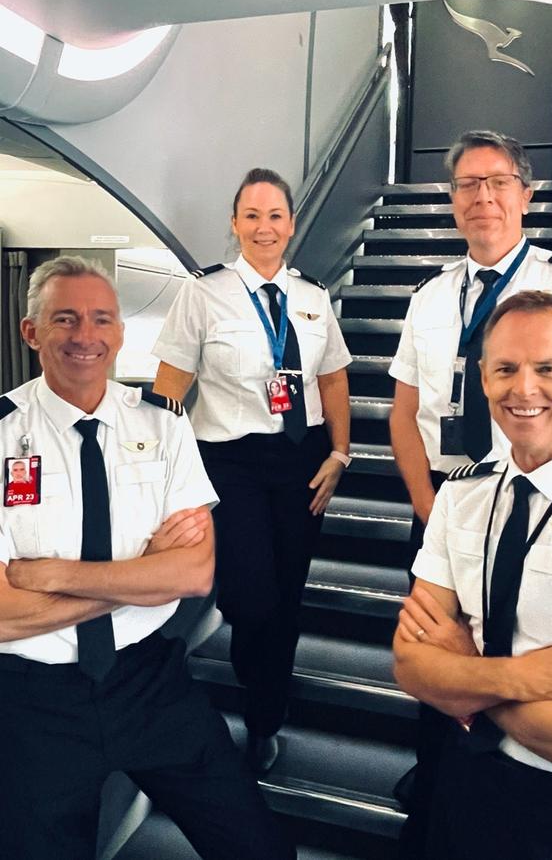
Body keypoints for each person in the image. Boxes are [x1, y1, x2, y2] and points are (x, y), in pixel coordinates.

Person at [388, 129, 552, 854]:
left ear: (526, 195)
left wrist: (547, 489)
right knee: (435, 660)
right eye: (467, 185)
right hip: (453, 506)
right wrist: (438, 511)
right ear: (452, 201)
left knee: (523, 655)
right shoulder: (430, 296)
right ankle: (439, 796)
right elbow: (405, 417)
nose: (483, 197)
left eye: (498, 182)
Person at [0, 256, 294, 860]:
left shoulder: (163, 426)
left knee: (258, 848)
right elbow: (3, 616)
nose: (87, 335)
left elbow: (193, 573)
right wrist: (141, 579)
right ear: (31, 333)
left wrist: (57, 577)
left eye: (102, 319)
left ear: (121, 331)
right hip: (33, 703)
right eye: (66, 319)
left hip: (150, 684)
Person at [152, 167, 352, 773]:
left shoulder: (313, 296)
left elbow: (333, 377)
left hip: (302, 458)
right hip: (229, 461)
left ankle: (265, 720)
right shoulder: (202, 292)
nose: (264, 228)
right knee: (251, 598)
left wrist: (340, 454)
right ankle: (252, 672)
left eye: (275, 216)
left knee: (286, 597)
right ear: (234, 224)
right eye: (252, 216)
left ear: (291, 224)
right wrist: (170, 479)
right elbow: (169, 390)